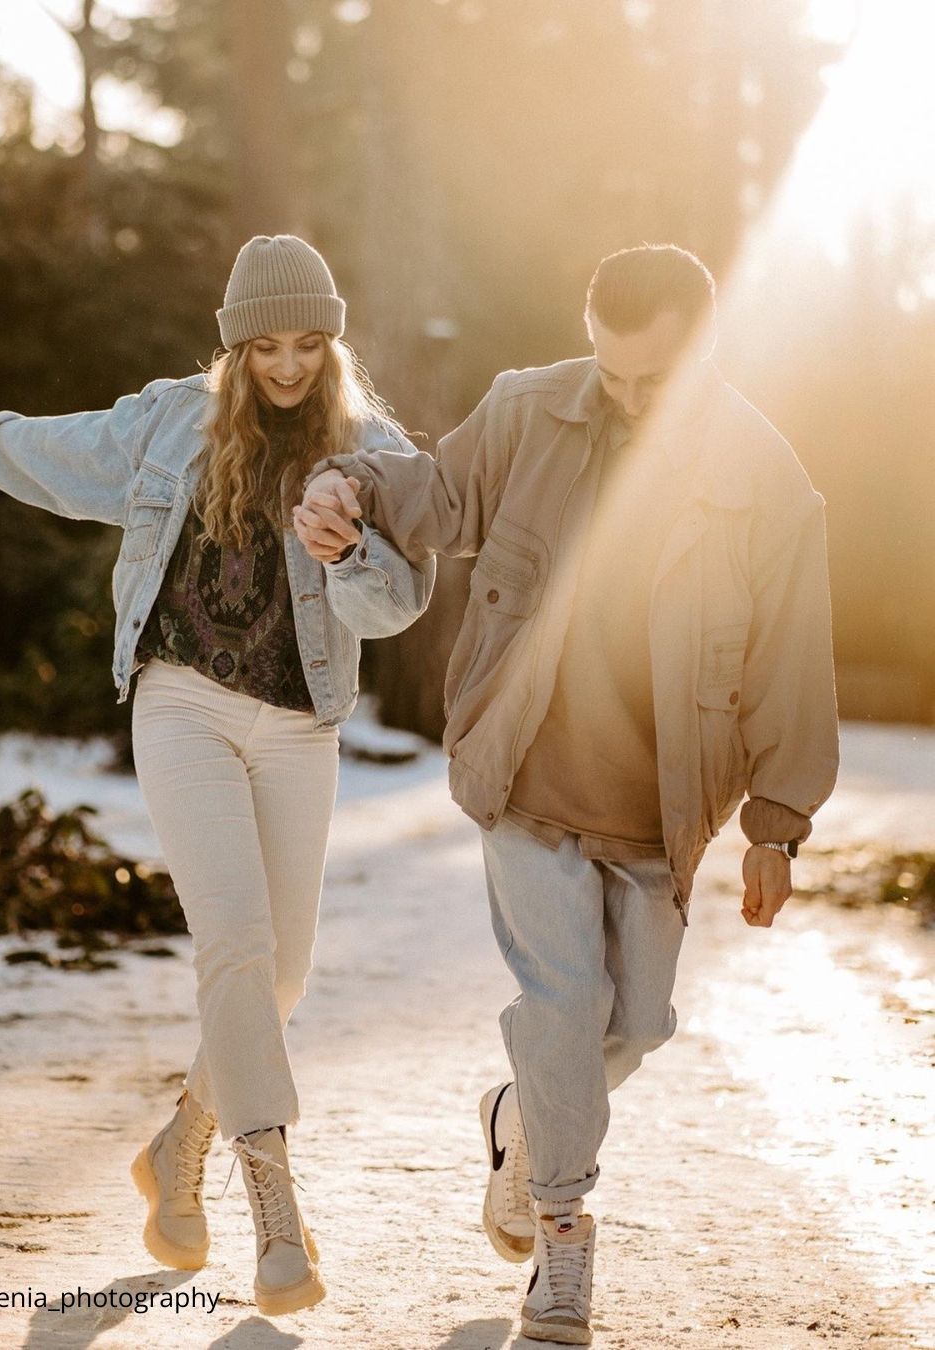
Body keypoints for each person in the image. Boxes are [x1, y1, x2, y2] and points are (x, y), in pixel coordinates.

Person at [293, 244, 838, 1345]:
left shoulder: (767, 480)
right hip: (527, 772)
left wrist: (777, 829)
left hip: (661, 808)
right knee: (560, 1005)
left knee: (637, 1024)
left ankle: (521, 1121)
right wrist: (346, 483)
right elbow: (439, 495)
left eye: (654, 378)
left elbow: (791, 663)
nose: (627, 396)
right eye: (611, 369)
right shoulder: (529, 408)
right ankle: (564, 1235)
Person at [0, 234, 434, 1316]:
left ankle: (179, 1146)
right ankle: (276, 1211)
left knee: (280, 977)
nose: (288, 368)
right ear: (236, 346)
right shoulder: (167, 422)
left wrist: (347, 554)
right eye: (267, 346)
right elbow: (62, 452)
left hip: (298, 723)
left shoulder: (374, 452)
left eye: (310, 345)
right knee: (234, 944)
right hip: (181, 700)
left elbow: (400, 605)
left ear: (334, 344)